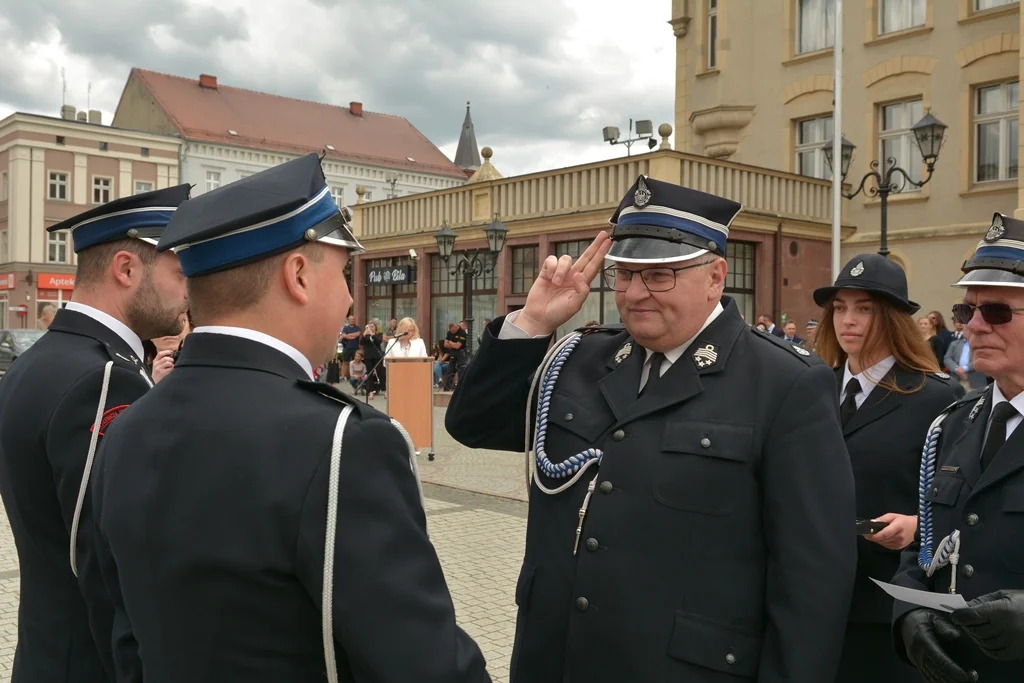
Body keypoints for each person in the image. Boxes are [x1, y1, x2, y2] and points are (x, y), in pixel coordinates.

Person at [85, 153, 489, 682]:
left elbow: (123, 638)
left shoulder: (128, 426)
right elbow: (426, 666)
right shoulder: (344, 442)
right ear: (297, 275)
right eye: (343, 271)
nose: (349, 296)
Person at [445, 174, 858, 683]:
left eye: (659, 275)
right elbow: (473, 424)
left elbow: (812, 582)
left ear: (715, 276)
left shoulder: (784, 384)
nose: (635, 292)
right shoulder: (582, 358)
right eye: (624, 274)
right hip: (556, 659)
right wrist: (531, 324)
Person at [0, 185, 190, 683]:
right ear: (126, 270)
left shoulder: (33, 363)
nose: (187, 288)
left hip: (47, 653)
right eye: (177, 270)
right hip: (94, 663)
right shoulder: (107, 378)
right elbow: (111, 564)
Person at [812, 254, 964, 683]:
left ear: (894, 318)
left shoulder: (934, 398)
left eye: (865, 308)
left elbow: (956, 497)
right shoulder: (809, 388)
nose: (848, 320)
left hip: (884, 602)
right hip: (809, 595)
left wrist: (918, 527)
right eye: (840, 308)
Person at [891, 212, 1024, 683]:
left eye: (998, 312)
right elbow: (927, 544)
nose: (975, 326)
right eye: (968, 310)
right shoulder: (954, 422)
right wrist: (907, 612)